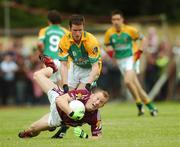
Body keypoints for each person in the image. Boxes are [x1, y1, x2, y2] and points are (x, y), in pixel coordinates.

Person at [18, 69, 109, 139]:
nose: (97, 103)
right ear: (92, 95)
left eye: (101, 102)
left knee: (33, 129)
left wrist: (85, 136)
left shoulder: (96, 117)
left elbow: (98, 136)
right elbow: (60, 100)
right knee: (37, 75)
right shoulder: (83, 94)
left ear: (102, 106)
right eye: (97, 98)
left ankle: (28, 134)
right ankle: (53, 68)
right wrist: (71, 113)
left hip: (58, 119)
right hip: (57, 97)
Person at [104, 10, 158, 116]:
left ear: (122, 20)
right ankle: (151, 108)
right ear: (111, 21)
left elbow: (144, 39)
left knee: (128, 81)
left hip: (131, 58)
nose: (116, 21)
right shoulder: (109, 33)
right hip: (120, 61)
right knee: (136, 86)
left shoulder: (130, 30)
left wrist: (139, 52)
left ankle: (139, 104)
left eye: (118, 19)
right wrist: (111, 54)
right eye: (113, 19)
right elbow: (107, 45)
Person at [58, 14, 102, 92]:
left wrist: (89, 83)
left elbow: (95, 67)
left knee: (78, 95)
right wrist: (65, 84)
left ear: (83, 28)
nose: (78, 34)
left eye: (80, 30)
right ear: (69, 28)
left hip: (90, 69)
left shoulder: (91, 41)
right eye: (75, 30)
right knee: (67, 95)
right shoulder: (64, 41)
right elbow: (63, 65)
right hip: (76, 66)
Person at [37, 10, 68, 87]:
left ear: (49, 20)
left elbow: (40, 44)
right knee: (61, 89)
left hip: (49, 60)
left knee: (49, 87)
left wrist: (42, 53)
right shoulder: (65, 31)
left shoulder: (44, 30)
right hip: (62, 61)